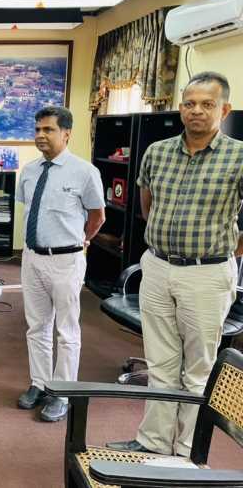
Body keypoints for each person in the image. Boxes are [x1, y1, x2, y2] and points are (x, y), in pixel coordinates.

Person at [108, 71, 243, 457]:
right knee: (161, 363)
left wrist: (227, 251)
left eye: (207, 104)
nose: (196, 111)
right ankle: (152, 443)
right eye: (189, 103)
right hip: (158, 267)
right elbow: (147, 206)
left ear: (224, 109)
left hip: (208, 272)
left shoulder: (239, 156)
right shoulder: (158, 151)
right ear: (180, 107)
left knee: (198, 369)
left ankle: (186, 452)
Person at [16, 106, 106, 422]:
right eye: (38, 129)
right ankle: (40, 383)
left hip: (66, 259)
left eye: (48, 130)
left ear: (66, 133)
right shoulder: (28, 170)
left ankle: (63, 393)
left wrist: (82, 240)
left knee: (66, 330)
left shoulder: (84, 172)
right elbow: (31, 210)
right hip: (32, 258)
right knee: (37, 326)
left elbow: (97, 216)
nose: (41, 135)